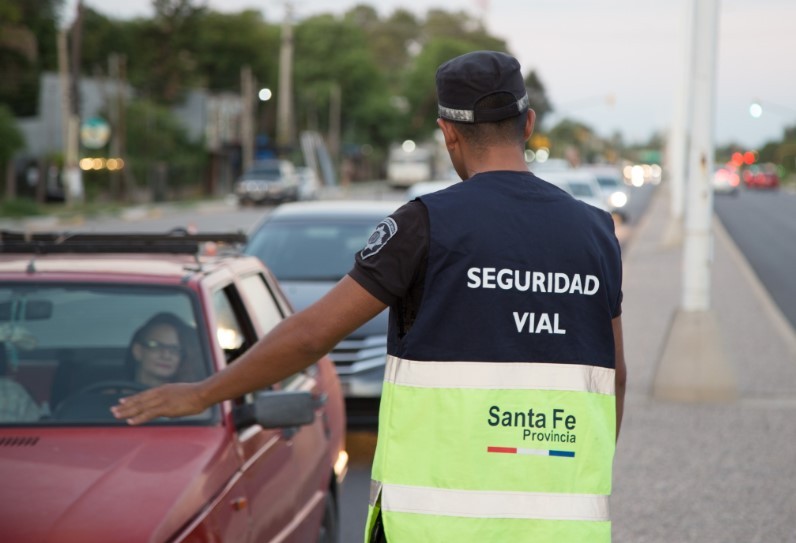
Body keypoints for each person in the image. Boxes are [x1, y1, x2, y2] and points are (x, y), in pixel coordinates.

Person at [113, 50, 626, 543]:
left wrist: (203, 393)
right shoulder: (596, 232)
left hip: (437, 530)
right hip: (565, 526)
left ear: (448, 133)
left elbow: (312, 335)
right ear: (528, 123)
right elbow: (615, 377)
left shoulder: (426, 224)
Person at [125, 312, 192, 387]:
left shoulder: (190, 398)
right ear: (138, 351)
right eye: (157, 346)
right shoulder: (115, 394)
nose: (166, 356)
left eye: (174, 349)